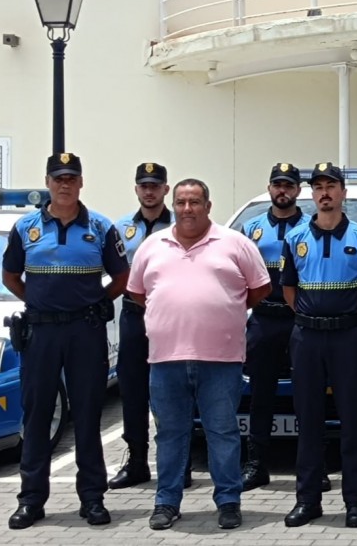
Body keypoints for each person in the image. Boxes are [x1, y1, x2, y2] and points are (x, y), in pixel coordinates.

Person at [127, 178, 272, 531]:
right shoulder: (152, 245)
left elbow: (260, 288)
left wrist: (224, 312)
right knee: (170, 434)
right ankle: (166, 502)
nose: (187, 209)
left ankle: (228, 502)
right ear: (172, 205)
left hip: (221, 358)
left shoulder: (234, 243)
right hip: (166, 358)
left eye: (195, 202)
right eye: (181, 202)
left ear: (208, 205)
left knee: (222, 431)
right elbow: (138, 293)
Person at [2, 153, 129, 530]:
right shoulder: (26, 227)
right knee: (38, 415)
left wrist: (95, 305)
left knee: (88, 415)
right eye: (58, 178)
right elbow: (10, 277)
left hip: (85, 333)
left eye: (71, 178)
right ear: (48, 181)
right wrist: (40, 304)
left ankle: (92, 499)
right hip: (41, 333)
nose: (65, 184)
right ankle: (31, 501)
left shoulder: (101, 227)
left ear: (81, 183)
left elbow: (121, 278)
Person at [281, 163, 357, 528]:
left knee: (352, 420)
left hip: (347, 338)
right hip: (308, 338)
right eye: (319, 187)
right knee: (308, 420)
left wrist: (350, 322)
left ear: (343, 192)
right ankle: (307, 500)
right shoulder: (296, 238)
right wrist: (313, 319)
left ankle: (354, 501)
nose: (325, 193)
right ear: (312, 194)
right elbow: (289, 290)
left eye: (331, 186)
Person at [240, 162, 310, 491]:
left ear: (298, 191)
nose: (283, 190)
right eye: (277, 184)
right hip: (264, 320)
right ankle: (257, 464)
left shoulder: (312, 227)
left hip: (301, 321)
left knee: (308, 394)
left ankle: (312, 466)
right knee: (261, 395)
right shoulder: (250, 229)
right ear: (269, 188)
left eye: (289, 185)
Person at [109, 162, 176, 491]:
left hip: (174, 320)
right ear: (136, 189)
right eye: (143, 185)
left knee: (174, 391)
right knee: (133, 391)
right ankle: (137, 462)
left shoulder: (184, 223)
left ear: (166, 188)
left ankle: (177, 463)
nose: (149, 191)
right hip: (135, 317)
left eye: (155, 185)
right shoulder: (120, 228)